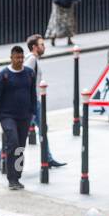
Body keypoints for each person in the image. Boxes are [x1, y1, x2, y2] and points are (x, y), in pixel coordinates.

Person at [0, 44, 37, 190]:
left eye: (22, 57)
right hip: (7, 116)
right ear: (11, 58)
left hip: (25, 116)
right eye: (17, 57)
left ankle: (18, 176)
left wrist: (33, 112)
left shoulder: (29, 73)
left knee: (20, 148)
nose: (20, 60)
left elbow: (32, 94)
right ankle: (11, 178)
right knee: (13, 142)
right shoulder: (3, 75)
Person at [25, 35, 66, 168]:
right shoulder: (31, 60)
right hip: (32, 102)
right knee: (23, 131)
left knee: (42, 128)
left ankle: (47, 158)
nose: (44, 47)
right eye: (41, 44)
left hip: (34, 101)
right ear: (34, 47)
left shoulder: (32, 59)